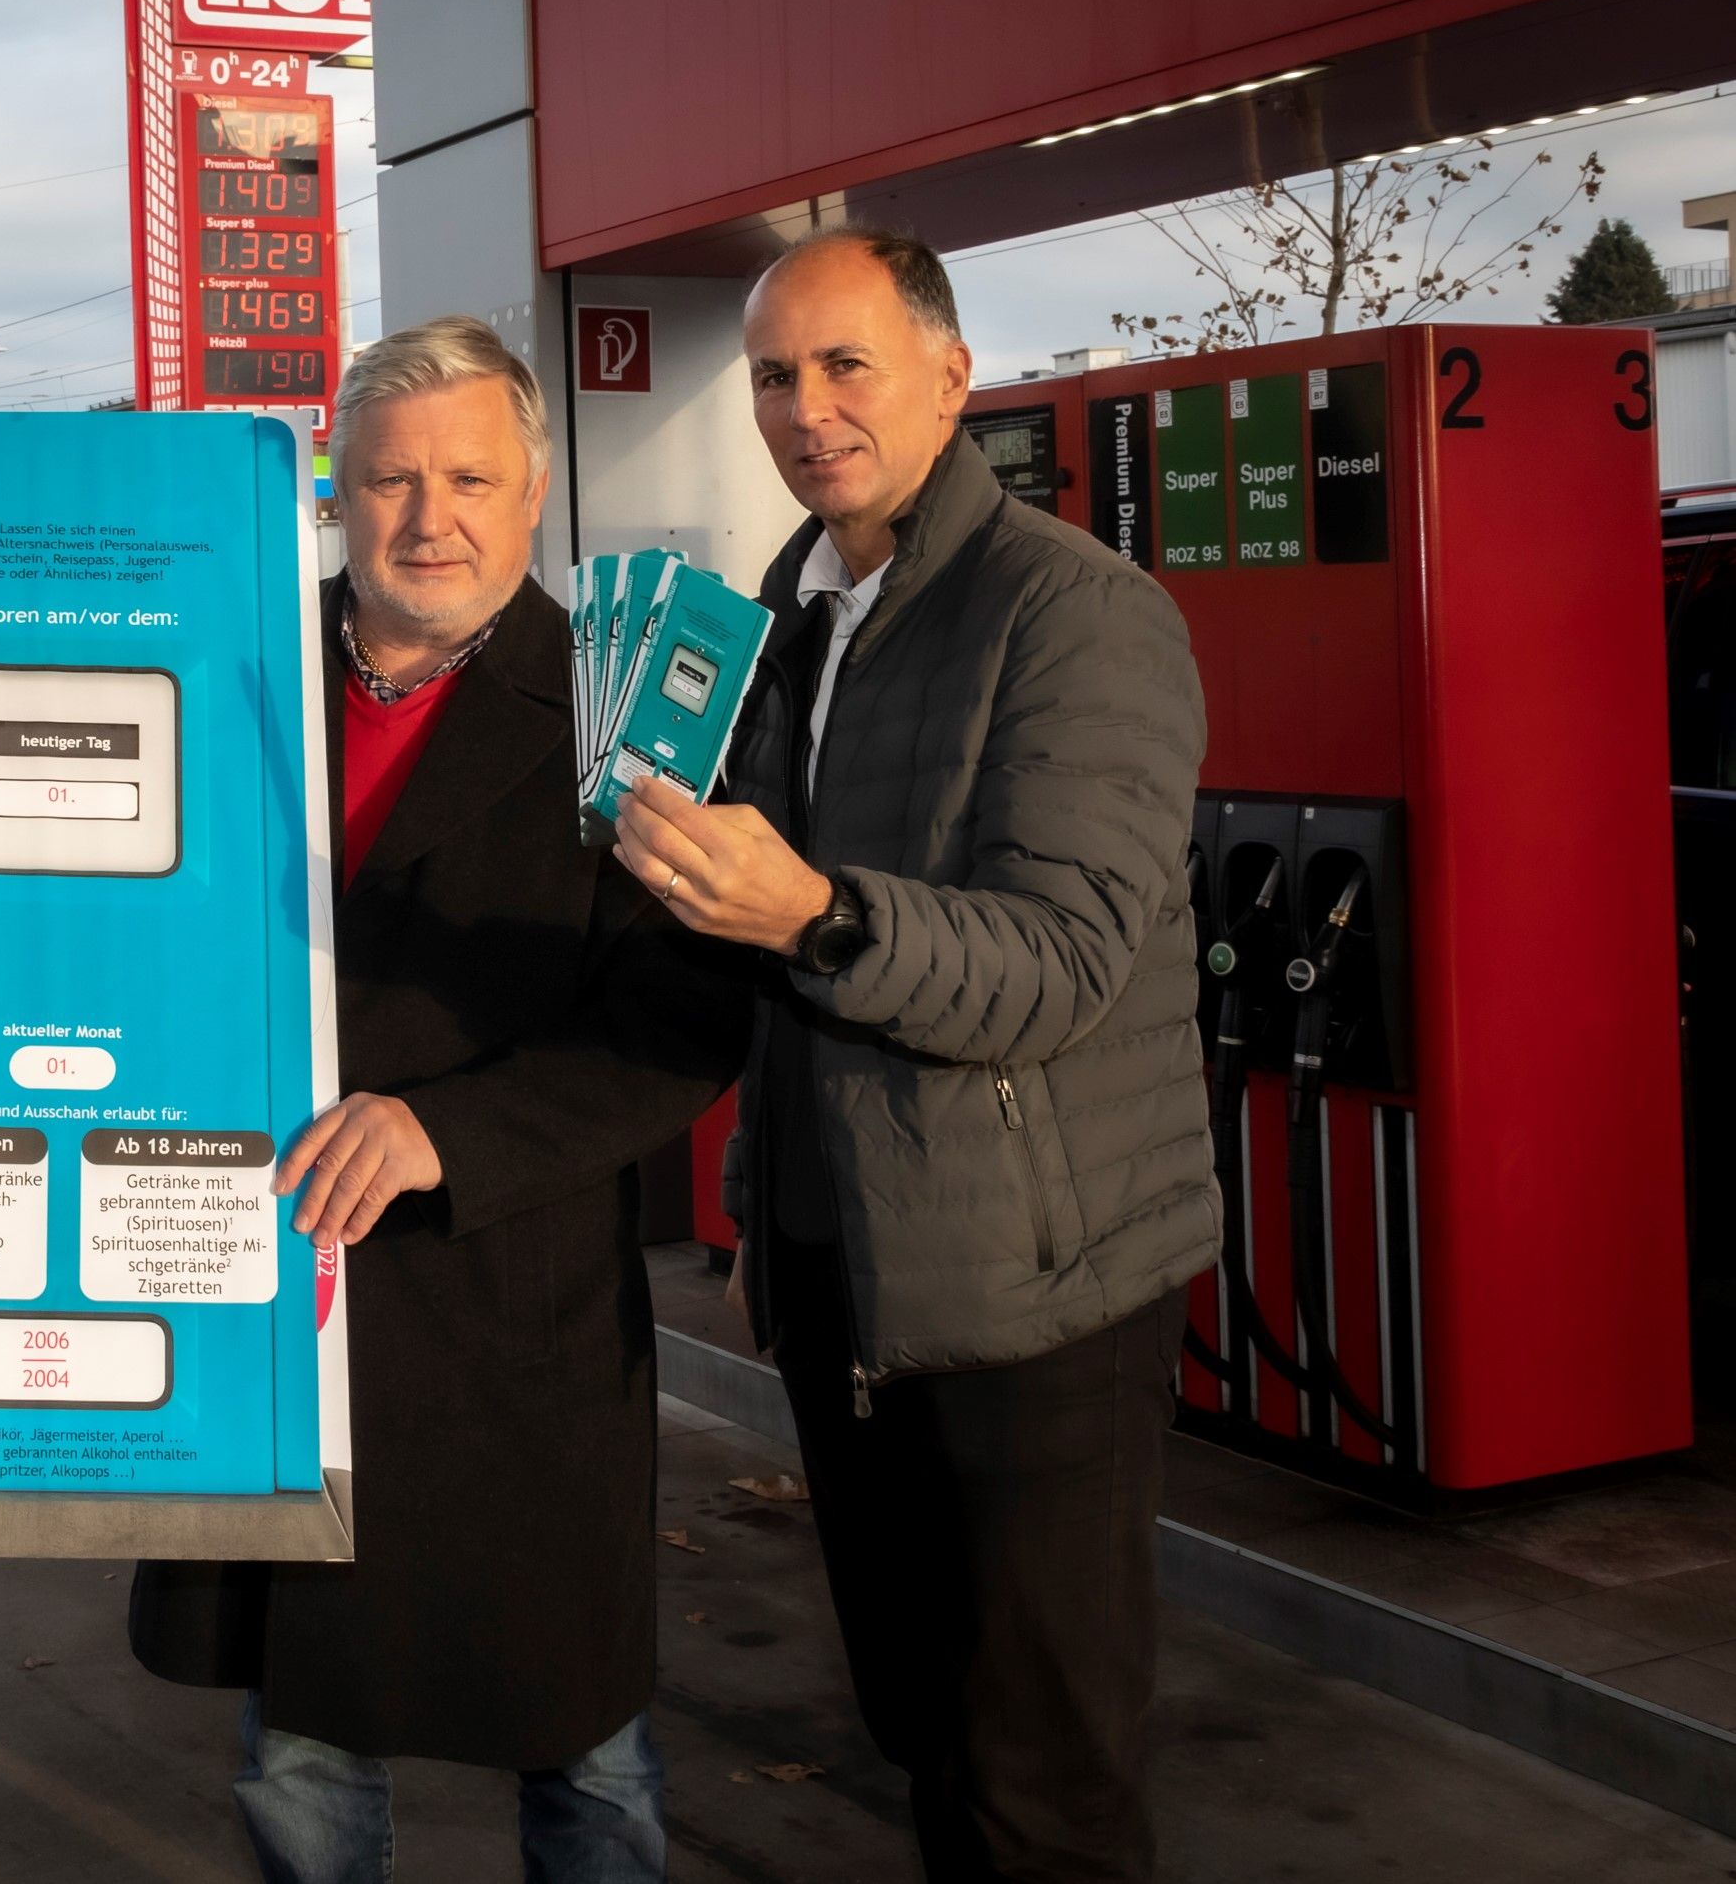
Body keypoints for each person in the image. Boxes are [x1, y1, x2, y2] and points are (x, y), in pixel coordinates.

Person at [611, 230, 1215, 1881]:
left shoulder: (1080, 615)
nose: (808, 410)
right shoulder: (780, 620)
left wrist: (810, 911)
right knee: (918, 1726)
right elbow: (762, 971)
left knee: (1040, 1785)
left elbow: (1065, 960)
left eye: (847, 364)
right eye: (776, 376)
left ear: (952, 377)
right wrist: (763, 1186)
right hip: (842, 1277)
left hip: (1038, 1291)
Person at [129, 318, 746, 1884]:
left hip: (506, 1316)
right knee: (303, 1754)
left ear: (535, 488)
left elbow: (681, 1027)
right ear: (337, 492)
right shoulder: (221, 657)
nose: (429, 517)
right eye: (391, 479)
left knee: (586, 1756)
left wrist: (441, 1132)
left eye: (470, 475)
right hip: (261, 1293)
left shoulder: (633, 702)